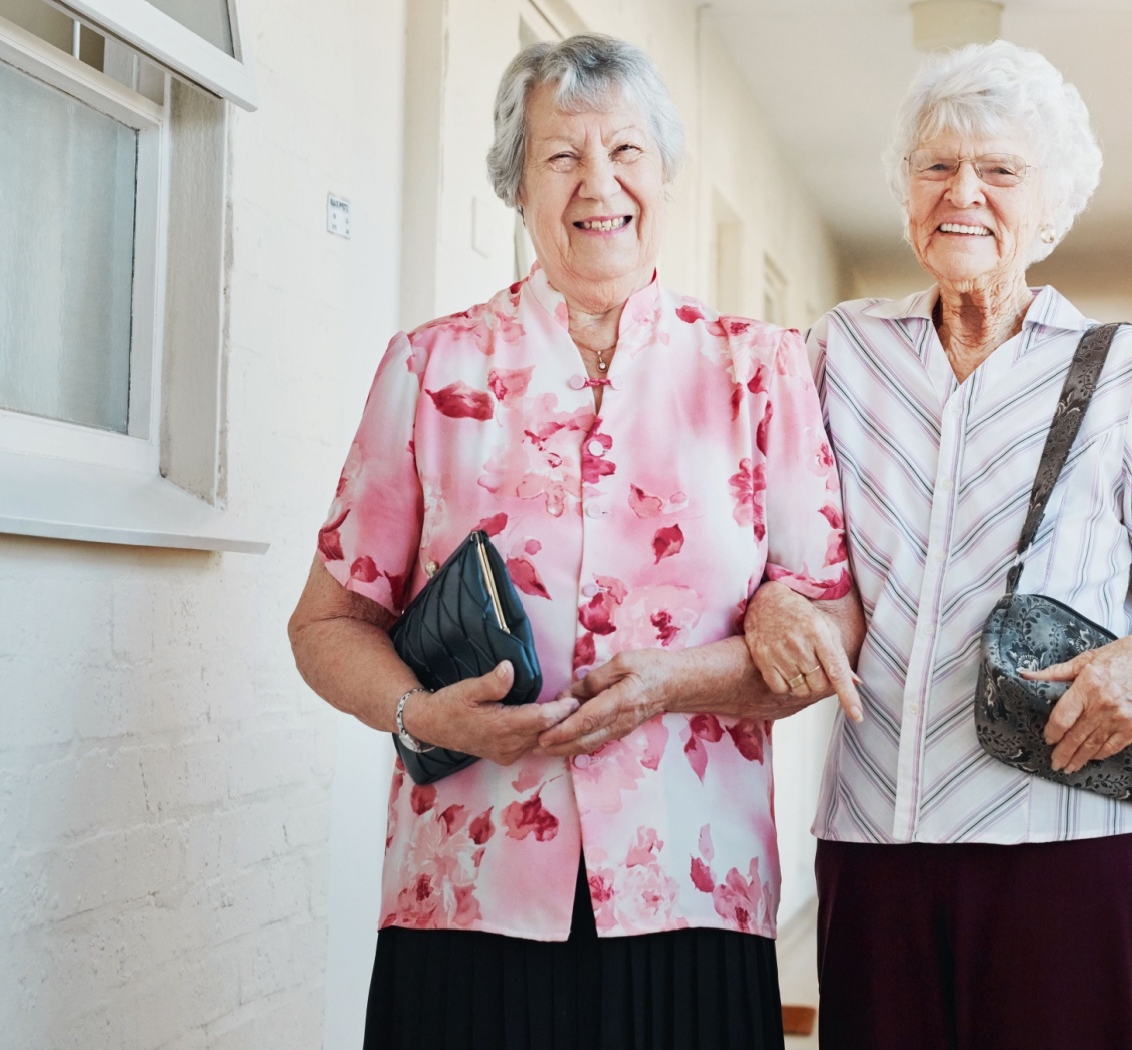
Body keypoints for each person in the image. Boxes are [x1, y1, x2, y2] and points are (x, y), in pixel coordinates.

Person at [288, 33, 861, 1050]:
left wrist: (678, 680)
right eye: (561, 155)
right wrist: (426, 714)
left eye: (627, 151)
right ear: (516, 183)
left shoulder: (757, 369)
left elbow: (828, 629)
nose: (599, 183)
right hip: (469, 883)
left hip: (689, 878)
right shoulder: (432, 367)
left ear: (666, 175)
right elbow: (328, 622)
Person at [745, 40, 1132, 1050]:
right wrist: (768, 600)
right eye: (935, 165)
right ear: (904, 190)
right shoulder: (837, 353)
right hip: (875, 838)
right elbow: (771, 551)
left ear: (1048, 202)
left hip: (1064, 842)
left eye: (999, 170)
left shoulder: (1130, 373)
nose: (961, 191)